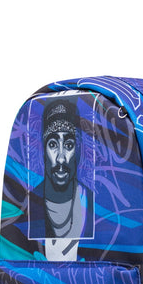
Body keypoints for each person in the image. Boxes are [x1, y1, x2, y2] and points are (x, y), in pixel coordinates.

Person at [29, 99, 94, 259]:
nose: (61, 159)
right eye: (52, 144)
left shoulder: (94, 202)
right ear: (43, 150)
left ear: (79, 150)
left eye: (69, 145)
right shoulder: (28, 204)